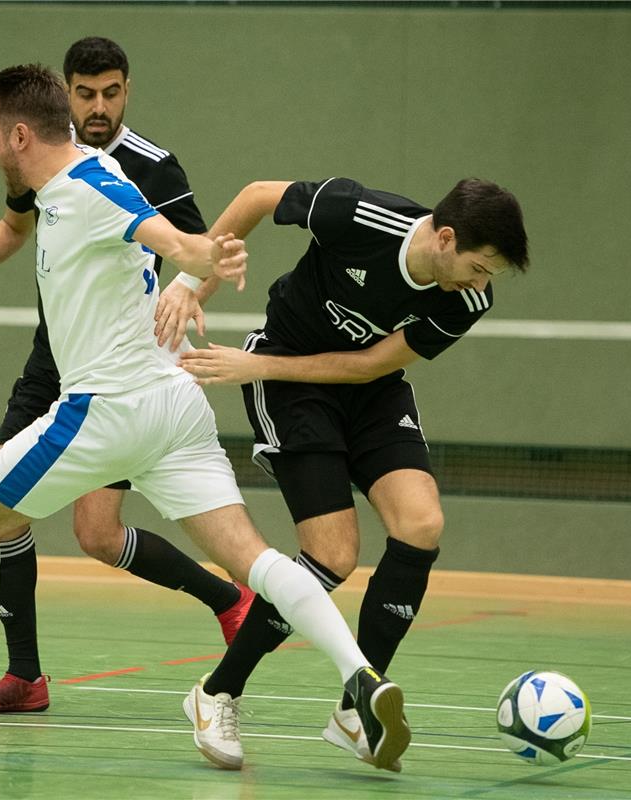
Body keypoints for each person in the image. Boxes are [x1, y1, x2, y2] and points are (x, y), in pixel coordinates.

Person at [0, 64, 410, 774]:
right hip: (175, 405)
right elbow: (44, 164)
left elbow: (163, 235)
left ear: (21, 136)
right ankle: (360, 675)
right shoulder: (78, 162)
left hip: (104, 409)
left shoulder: (89, 191)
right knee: (257, 560)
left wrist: (202, 254)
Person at [0, 37, 252, 714]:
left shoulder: (149, 168)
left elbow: (196, 248)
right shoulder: (44, 154)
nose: (98, 106)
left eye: (111, 92)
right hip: (51, 357)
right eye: (85, 93)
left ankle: (229, 598)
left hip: (120, 371)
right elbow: (8, 189)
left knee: (97, 534)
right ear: (65, 95)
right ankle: (23, 673)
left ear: (127, 90)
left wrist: (184, 294)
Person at [172, 177, 529, 771]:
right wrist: (193, 282)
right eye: (479, 266)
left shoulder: (465, 299)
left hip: (369, 390)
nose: (482, 283)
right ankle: (216, 692)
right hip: (287, 381)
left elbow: (369, 367)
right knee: (332, 555)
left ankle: (354, 709)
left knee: (421, 523)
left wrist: (252, 362)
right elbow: (260, 195)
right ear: (444, 238)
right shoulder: (359, 215)